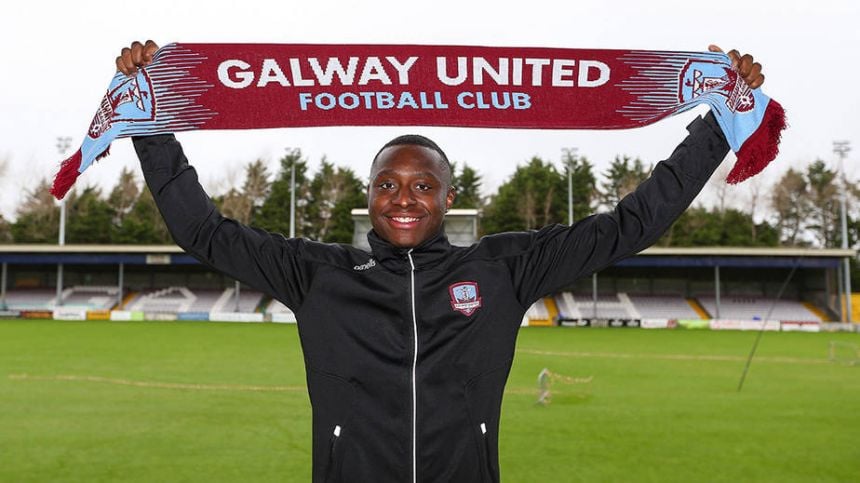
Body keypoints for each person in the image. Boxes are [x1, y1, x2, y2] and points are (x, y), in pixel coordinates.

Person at [118, 41, 764, 482]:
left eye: (422, 185)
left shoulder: (501, 269)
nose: (404, 197)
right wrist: (149, 122)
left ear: (449, 197)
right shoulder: (318, 274)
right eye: (388, 184)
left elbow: (632, 223)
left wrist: (713, 128)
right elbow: (202, 229)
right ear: (368, 194)